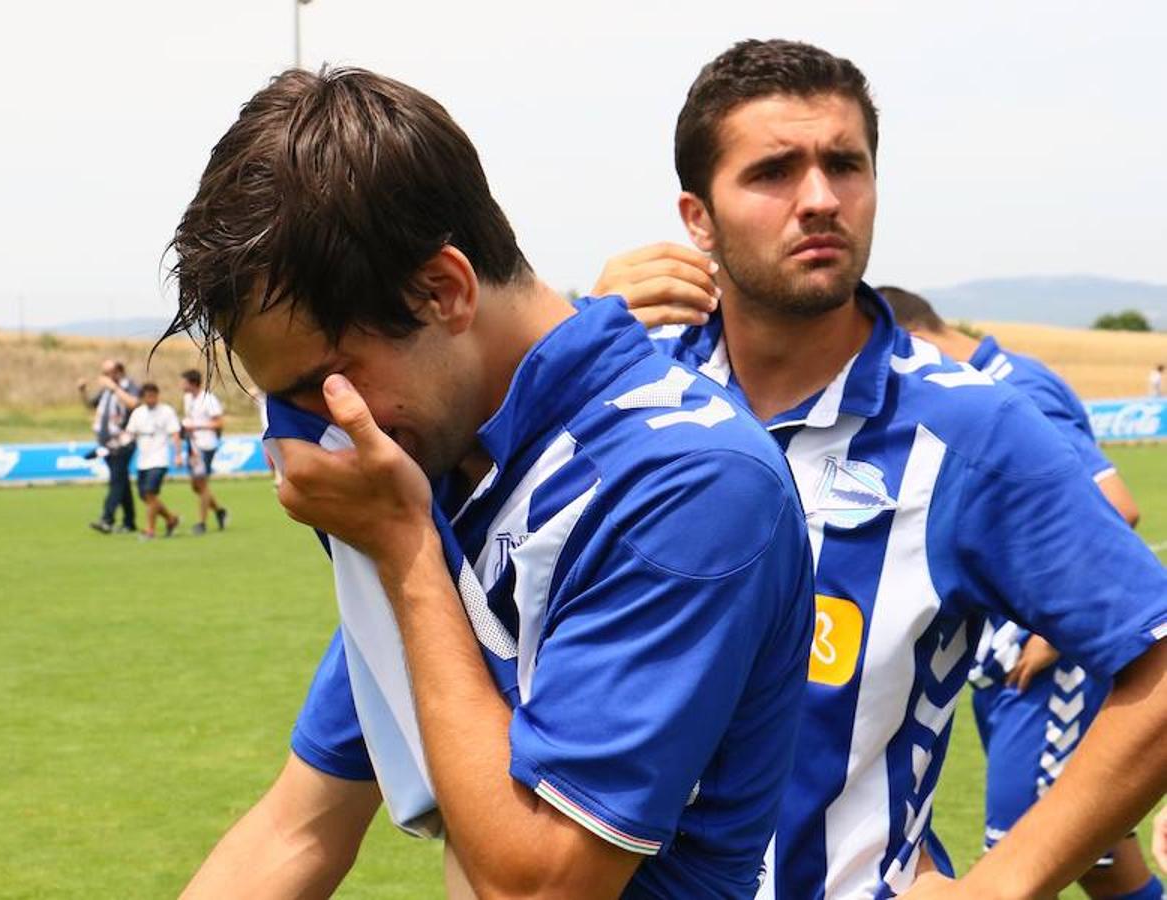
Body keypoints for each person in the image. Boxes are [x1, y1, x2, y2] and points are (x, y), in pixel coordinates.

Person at [171, 67, 815, 899]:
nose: (305, 443)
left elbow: (539, 886)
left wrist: (406, 556)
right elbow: (297, 829)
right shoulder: (446, 470)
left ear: (444, 291)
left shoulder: (691, 484)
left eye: (320, 385)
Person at [592, 39, 1167, 899]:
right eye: (774, 171)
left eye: (845, 165)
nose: (820, 199)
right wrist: (581, 339)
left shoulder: (970, 428)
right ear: (698, 218)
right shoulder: (625, 402)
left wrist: (998, 885)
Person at [882, 286, 1162, 900]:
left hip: (1043, 668)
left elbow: (1116, 507)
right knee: (1098, 854)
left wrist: (1046, 636)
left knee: (1012, 858)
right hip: (1006, 664)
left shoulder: (1012, 391)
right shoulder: (1004, 377)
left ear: (915, 338)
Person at [79, 359, 139, 534]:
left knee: (116, 481)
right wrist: (82, 391)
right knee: (122, 482)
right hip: (105, 443)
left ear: (119, 372)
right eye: (103, 373)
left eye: (108, 372)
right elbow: (91, 405)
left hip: (123, 442)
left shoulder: (127, 386)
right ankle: (129, 522)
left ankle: (107, 518)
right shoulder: (106, 391)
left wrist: (114, 388)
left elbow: (133, 403)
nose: (105, 376)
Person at [122, 382, 182, 541]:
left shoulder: (166, 411)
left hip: (159, 459)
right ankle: (171, 519)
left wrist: (178, 455)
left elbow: (175, 433)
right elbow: (129, 434)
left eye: (153, 396)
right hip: (143, 460)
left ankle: (150, 531)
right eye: (147, 396)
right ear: (143, 397)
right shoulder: (138, 413)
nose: (151, 399)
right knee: (146, 497)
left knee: (150, 493)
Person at [179, 369, 228, 534]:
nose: (181, 385)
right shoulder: (187, 398)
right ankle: (219, 511)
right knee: (196, 485)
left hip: (206, 445)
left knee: (202, 483)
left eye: (183, 382)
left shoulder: (208, 399)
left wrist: (196, 426)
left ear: (192, 383)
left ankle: (201, 523)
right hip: (192, 446)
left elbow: (219, 423)